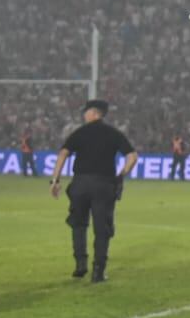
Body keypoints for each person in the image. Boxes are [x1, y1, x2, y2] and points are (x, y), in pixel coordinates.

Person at [48, 100, 138, 283]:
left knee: (78, 224)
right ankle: (98, 271)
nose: (84, 115)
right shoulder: (113, 133)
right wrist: (121, 174)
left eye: (86, 112)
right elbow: (132, 156)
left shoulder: (80, 132)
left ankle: (80, 264)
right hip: (104, 184)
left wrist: (55, 180)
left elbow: (64, 153)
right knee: (102, 228)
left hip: (81, 183)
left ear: (95, 113)